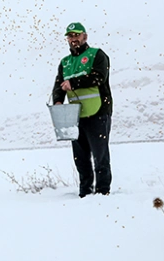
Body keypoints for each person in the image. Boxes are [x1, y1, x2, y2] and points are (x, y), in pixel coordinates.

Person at [52, 22, 113, 198]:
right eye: (70, 36)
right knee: (80, 158)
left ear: (84, 36)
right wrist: (57, 101)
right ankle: (85, 192)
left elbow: (99, 77)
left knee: (100, 156)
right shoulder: (65, 62)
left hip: (99, 112)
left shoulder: (97, 55)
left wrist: (75, 82)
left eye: (77, 35)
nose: (73, 39)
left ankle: (103, 192)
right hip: (75, 115)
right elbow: (58, 85)